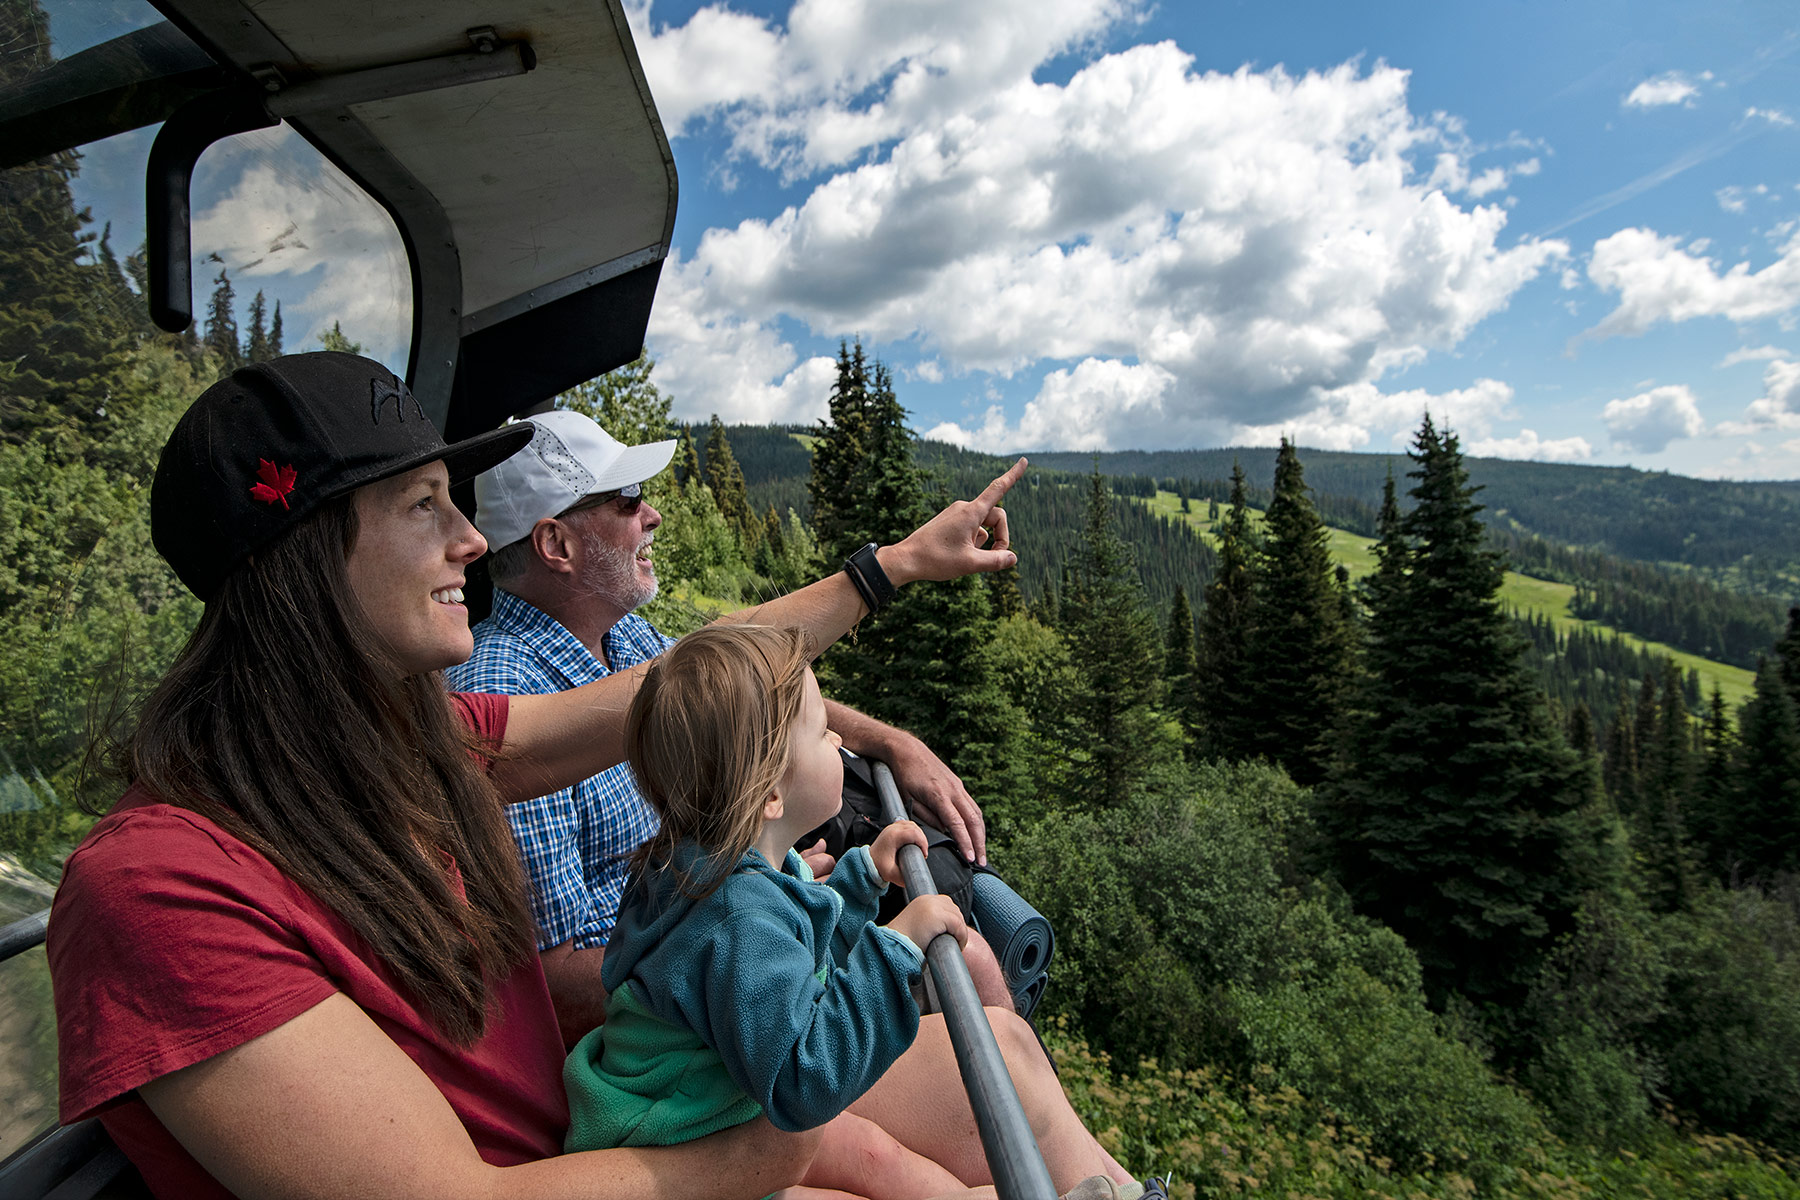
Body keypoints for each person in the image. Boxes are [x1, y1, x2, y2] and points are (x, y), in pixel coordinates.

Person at [45, 352, 1029, 1200]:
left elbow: (693, 676)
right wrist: (779, 1147)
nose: (470, 542)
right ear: (305, 557)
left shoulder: (413, 743)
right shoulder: (156, 892)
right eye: (423, 505)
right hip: (577, 1162)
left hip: (596, 1122)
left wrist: (888, 569)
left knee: (1005, 1064)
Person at [446, 410, 1012, 1044]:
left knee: (972, 966)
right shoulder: (500, 691)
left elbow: (754, 687)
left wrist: (891, 743)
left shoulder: (623, 639)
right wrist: (746, 919)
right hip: (677, 1037)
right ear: (556, 545)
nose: (652, 514)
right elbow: (551, 991)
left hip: (736, 936)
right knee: (972, 971)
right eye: (627, 499)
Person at [562, 623, 1136, 1200]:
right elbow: (802, 1077)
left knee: (887, 1166)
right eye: (820, 733)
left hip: (704, 1107)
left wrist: (860, 886)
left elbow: (794, 973)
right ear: (769, 795)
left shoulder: (713, 867)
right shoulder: (735, 916)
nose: (839, 741)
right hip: (675, 1143)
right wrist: (897, 948)